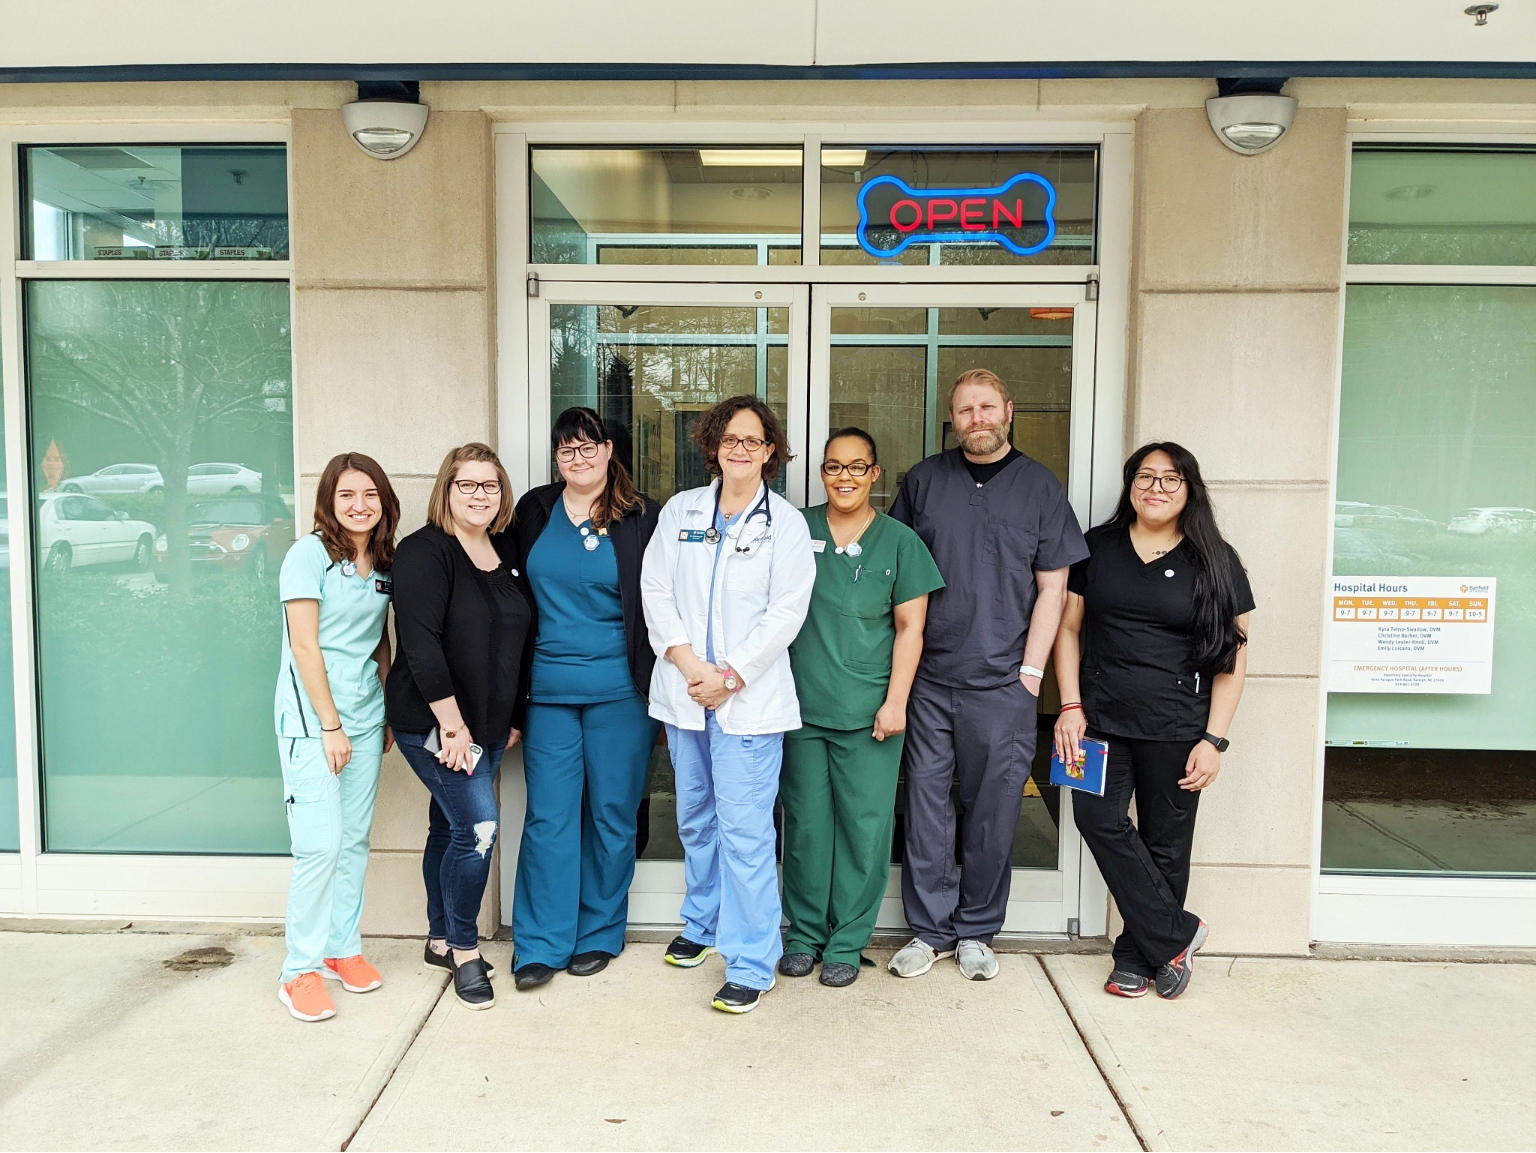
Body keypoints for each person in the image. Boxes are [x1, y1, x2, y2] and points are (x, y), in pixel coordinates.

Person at [888, 368, 1089, 982]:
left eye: (985, 407)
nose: (975, 418)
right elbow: (897, 574)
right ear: (952, 418)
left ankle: (976, 930)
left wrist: (1031, 674)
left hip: (1004, 683)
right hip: (929, 680)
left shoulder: (1040, 488)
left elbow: (1054, 589)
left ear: (1008, 409)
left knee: (993, 809)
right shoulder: (924, 482)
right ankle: (929, 931)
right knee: (925, 805)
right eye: (964, 410)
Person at [1052, 443, 1252, 1000]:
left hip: (1177, 725)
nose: (1156, 487)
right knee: (1096, 819)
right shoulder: (1098, 547)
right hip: (1099, 724)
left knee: (1167, 843)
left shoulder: (1213, 558)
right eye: (1146, 476)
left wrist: (1213, 739)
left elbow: (1234, 657)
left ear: (1189, 488)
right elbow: (1068, 630)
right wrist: (1070, 705)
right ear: (1130, 484)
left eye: (1170, 478)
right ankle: (1178, 934)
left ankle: (1137, 957)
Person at [640, 395, 814, 1014]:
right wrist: (690, 665)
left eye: (754, 441)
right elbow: (655, 589)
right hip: (687, 693)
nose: (740, 450)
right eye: (730, 439)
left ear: (771, 452)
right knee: (694, 816)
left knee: (744, 831)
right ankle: (703, 921)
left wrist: (730, 676)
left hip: (748, 701)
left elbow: (785, 613)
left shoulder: (786, 524)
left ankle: (751, 959)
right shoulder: (681, 511)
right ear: (714, 445)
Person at [779, 429, 945, 988]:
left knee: (864, 830)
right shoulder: (793, 528)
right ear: (821, 473)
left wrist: (896, 701)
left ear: (876, 474)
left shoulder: (900, 542)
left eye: (857, 467)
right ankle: (803, 936)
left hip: (872, 712)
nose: (844, 477)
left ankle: (848, 941)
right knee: (805, 828)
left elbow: (910, 628)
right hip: (799, 708)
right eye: (832, 467)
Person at [509, 408, 662, 991]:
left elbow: (665, 598)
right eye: (566, 449)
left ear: (608, 450)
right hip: (547, 691)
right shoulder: (533, 510)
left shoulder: (641, 515)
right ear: (556, 458)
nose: (578, 458)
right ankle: (542, 942)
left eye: (588, 446)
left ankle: (598, 933)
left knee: (611, 814)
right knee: (549, 815)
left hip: (621, 692)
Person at [388, 443, 532, 1011]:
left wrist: (512, 717)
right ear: (446, 490)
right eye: (467, 484)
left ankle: (437, 936)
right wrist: (452, 726)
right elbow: (420, 645)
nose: (480, 495)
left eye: (490, 485)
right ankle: (465, 952)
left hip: (491, 726)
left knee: (450, 828)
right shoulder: (424, 552)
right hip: (434, 725)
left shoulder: (506, 551)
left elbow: (517, 644)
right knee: (478, 830)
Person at [274, 453, 400, 1022]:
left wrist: (386, 699)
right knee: (319, 846)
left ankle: (340, 949)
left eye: (370, 494)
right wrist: (330, 725)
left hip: (367, 716)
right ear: (329, 499)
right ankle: (298, 970)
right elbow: (305, 646)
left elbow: (377, 639)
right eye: (347, 494)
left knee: (352, 843)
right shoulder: (308, 555)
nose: (359, 505)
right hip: (312, 723)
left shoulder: (383, 561)